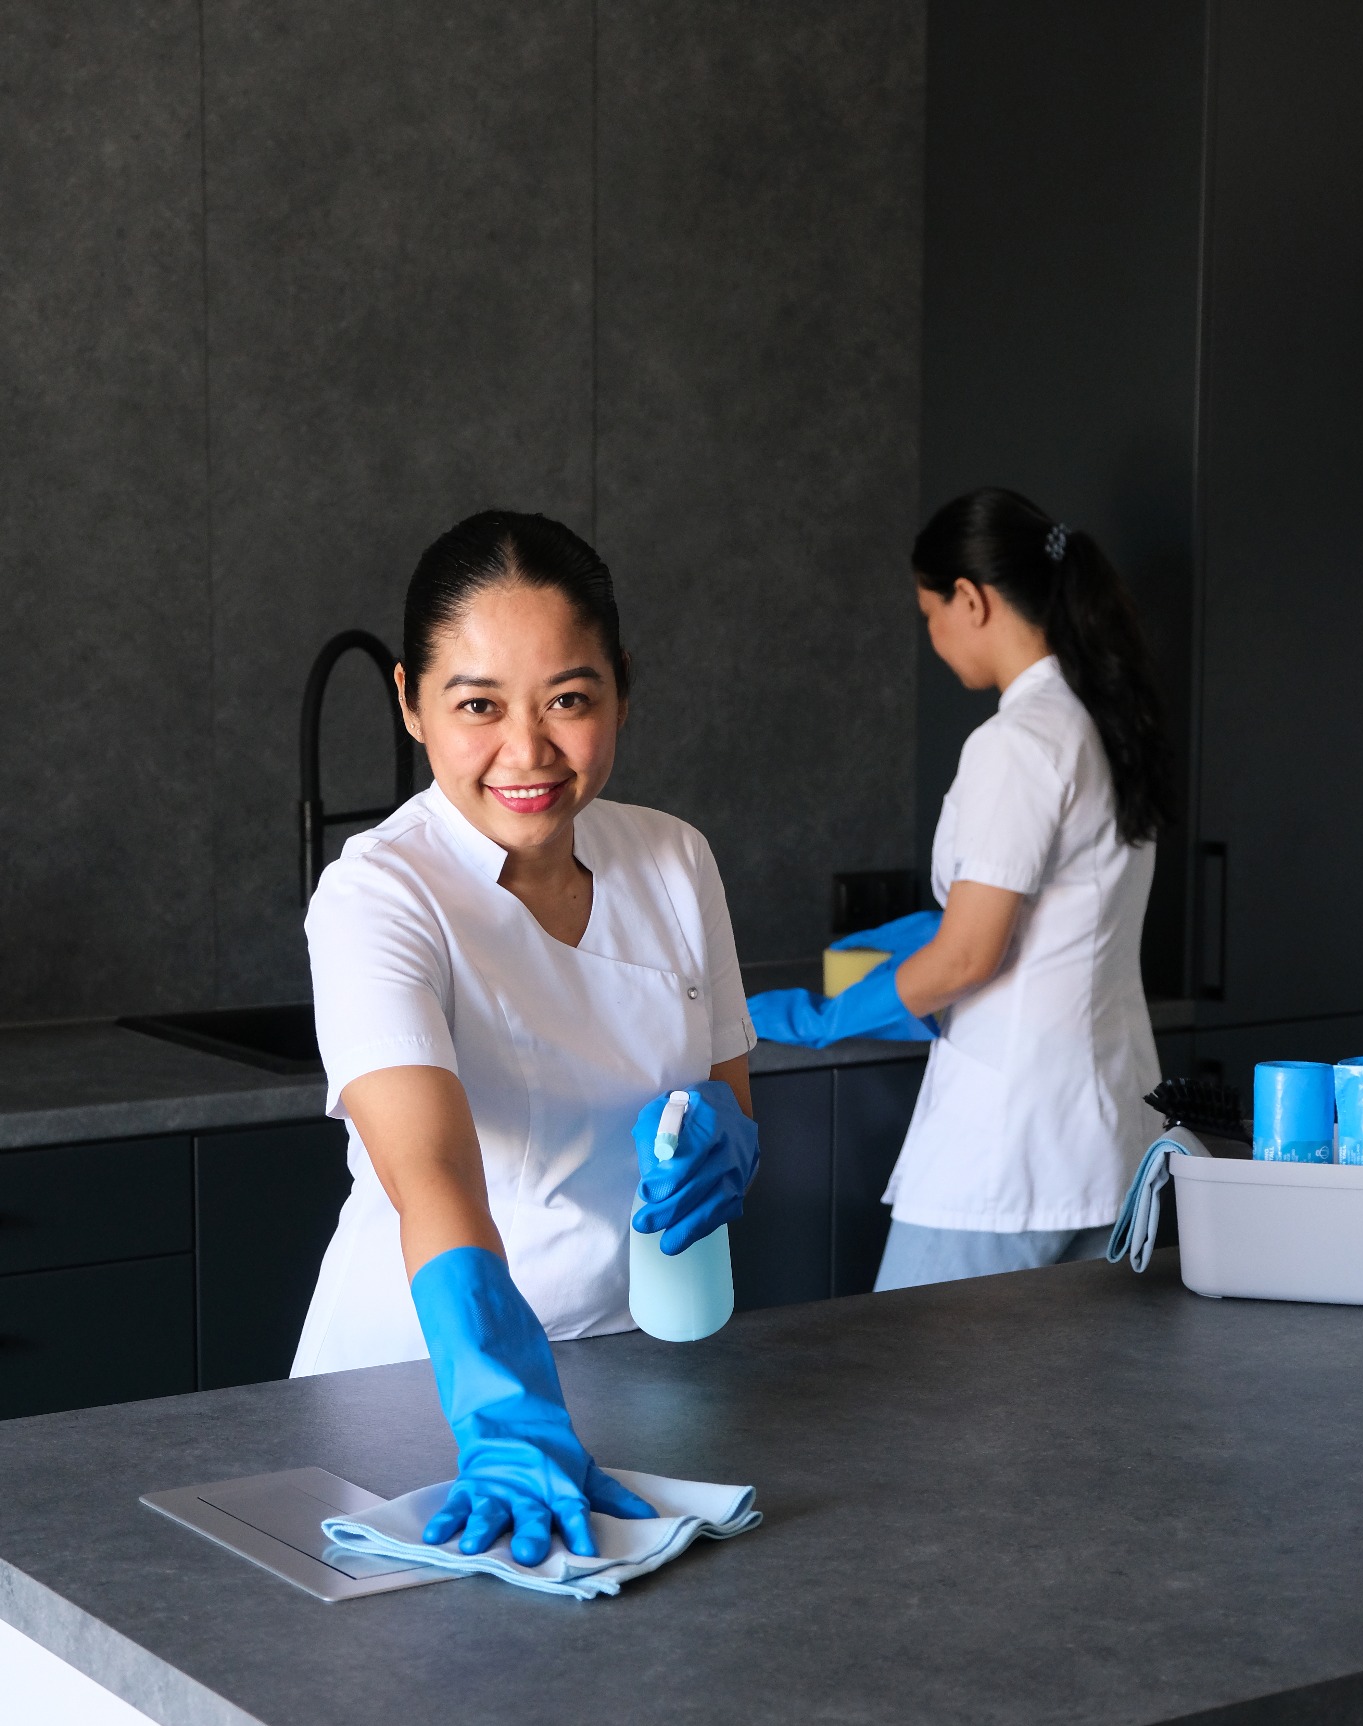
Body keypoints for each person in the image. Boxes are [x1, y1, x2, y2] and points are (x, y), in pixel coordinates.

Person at [292, 509, 759, 1562]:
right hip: (421, 1381)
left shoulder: (675, 859)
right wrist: (500, 1413)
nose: (528, 750)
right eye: (477, 705)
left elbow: (724, 1086)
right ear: (411, 703)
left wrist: (726, 1132)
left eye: (568, 700)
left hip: (634, 1372)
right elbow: (432, 1178)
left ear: (620, 689)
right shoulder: (380, 893)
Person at [750, 486, 1174, 1287]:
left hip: (1008, 1149)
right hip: (1109, 1137)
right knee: (1071, 1408)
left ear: (970, 599)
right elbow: (1052, 916)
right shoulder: (1105, 724)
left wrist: (824, 1016)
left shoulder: (1018, 740)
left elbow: (969, 954)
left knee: (915, 1394)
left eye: (928, 614)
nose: (934, 637)